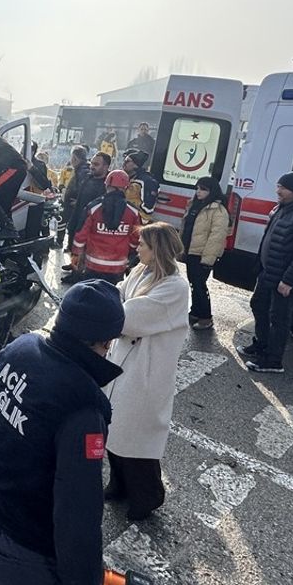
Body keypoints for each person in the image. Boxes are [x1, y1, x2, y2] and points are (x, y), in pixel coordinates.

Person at [0, 280, 125, 585]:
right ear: (106, 342)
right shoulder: (81, 406)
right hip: (21, 546)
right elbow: (77, 510)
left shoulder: (20, 348)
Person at [102, 222, 190, 521]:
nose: (136, 247)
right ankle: (119, 484)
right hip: (125, 359)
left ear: (157, 249)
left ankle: (148, 495)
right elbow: (119, 294)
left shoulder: (176, 286)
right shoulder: (142, 270)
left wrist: (101, 310)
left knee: (137, 435)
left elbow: (131, 316)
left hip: (147, 369)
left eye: (142, 244)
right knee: (114, 427)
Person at [242, 171, 293, 373]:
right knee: (258, 305)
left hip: (284, 278)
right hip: (269, 271)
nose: (277, 191)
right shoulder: (283, 208)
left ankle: (273, 360)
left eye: (282, 188)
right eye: (278, 186)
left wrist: (288, 280)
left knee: (279, 318)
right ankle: (261, 345)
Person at [68, 169, 141, 285]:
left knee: (89, 295)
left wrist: (76, 257)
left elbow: (80, 236)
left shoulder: (93, 208)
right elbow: (136, 238)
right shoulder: (133, 212)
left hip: (93, 265)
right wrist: (129, 253)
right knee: (110, 297)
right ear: (126, 188)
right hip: (118, 267)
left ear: (106, 185)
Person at [180, 176, 230, 330]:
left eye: (203, 189)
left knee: (200, 286)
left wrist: (208, 259)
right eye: (197, 188)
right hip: (191, 251)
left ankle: (205, 318)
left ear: (212, 191)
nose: (198, 192)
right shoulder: (195, 205)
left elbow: (217, 237)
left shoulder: (218, 210)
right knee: (194, 284)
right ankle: (195, 311)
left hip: (202, 254)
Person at [63, 151, 109, 263]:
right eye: (92, 163)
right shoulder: (88, 178)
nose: (92, 167)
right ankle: (74, 266)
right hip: (78, 217)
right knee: (74, 246)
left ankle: (79, 272)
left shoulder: (107, 184)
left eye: (96, 164)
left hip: (91, 222)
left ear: (106, 166)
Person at [59, 145, 89, 249]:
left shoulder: (83, 171)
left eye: (72, 157)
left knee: (74, 226)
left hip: (75, 206)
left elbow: (84, 189)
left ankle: (72, 248)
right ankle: (69, 246)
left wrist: (78, 201)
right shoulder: (79, 169)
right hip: (71, 204)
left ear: (75, 158)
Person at [121, 150, 160, 220]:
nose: (124, 163)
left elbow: (148, 209)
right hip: (125, 218)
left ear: (136, 165)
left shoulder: (147, 181)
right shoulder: (126, 178)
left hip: (138, 222)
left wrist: (133, 213)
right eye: (124, 160)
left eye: (127, 161)